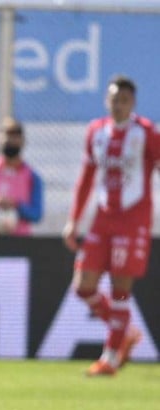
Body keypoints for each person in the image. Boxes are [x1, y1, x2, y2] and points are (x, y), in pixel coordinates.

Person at [63, 75, 159, 377]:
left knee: (120, 289)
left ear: (133, 103)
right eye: (115, 99)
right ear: (107, 100)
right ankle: (125, 334)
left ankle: (111, 357)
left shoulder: (146, 132)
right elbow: (86, 178)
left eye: (124, 100)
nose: (118, 105)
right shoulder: (96, 132)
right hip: (102, 219)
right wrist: (74, 221)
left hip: (133, 219)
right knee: (83, 286)